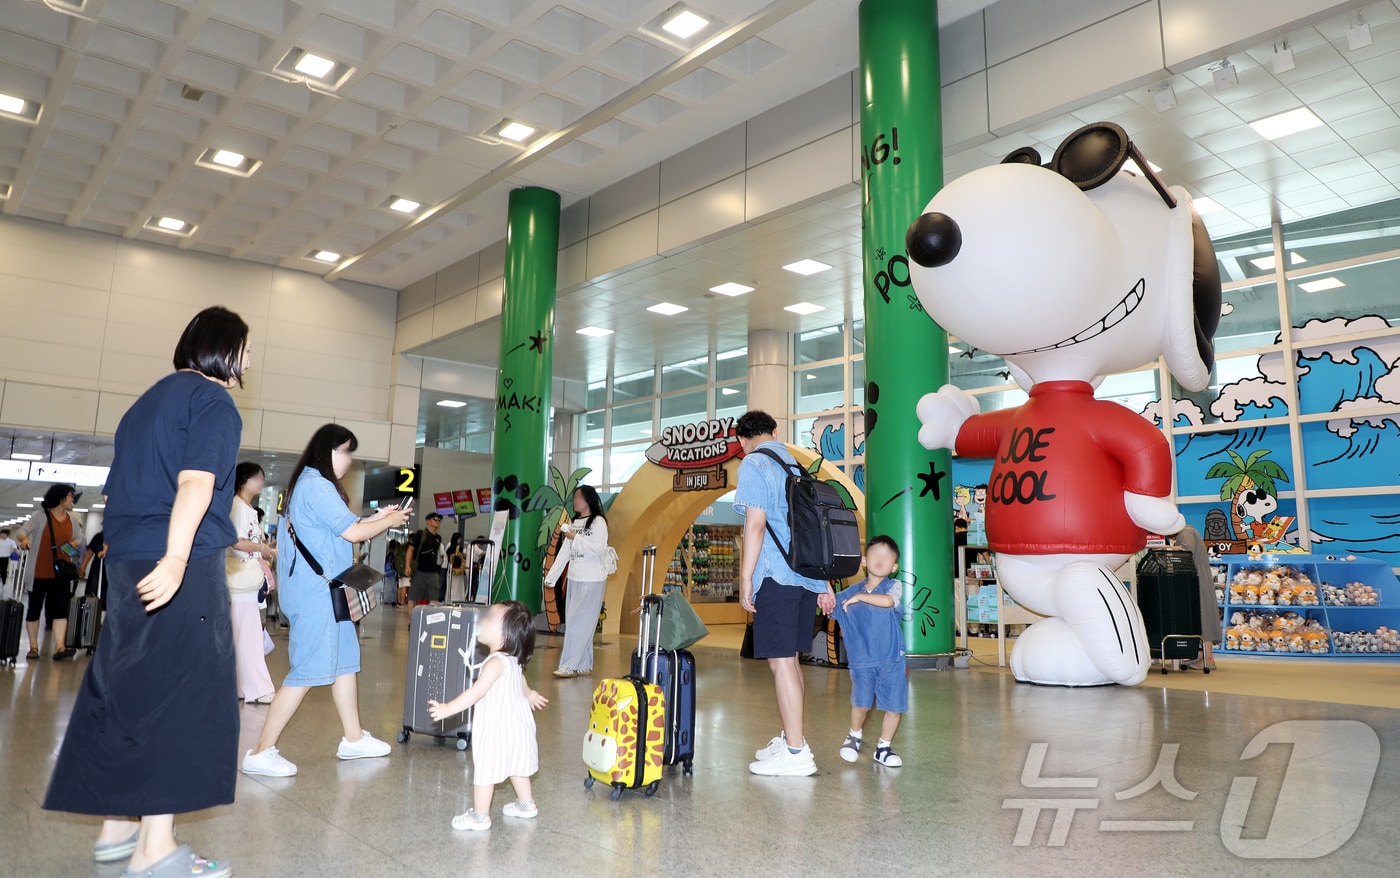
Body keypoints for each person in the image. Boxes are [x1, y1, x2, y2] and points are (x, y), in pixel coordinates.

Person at [43, 305, 250, 876]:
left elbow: (122, 491)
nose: (249, 360)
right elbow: (196, 483)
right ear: (223, 350)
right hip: (178, 560)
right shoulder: (213, 402)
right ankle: (155, 850)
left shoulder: (144, 404)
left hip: (130, 559)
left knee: (129, 688)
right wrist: (180, 557)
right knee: (183, 696)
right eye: (246, 349)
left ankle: (117, 832)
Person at [241, 425, 411, 778]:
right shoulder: (317, 485)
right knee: (306, 671)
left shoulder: (308, 484)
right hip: (319, 595)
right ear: (327, 451)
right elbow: (353, 532)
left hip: (325, 591)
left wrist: (378, 518)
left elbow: (343, 525)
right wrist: (390, 521)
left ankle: (353, 737)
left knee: (345, 662)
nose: (349, 460)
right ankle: (260, 750)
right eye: (345, 451)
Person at [733, 410, 835, 777]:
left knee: (781, 663)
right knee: (789, 660)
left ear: (742, 441)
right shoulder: (796, 466)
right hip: (807, 577)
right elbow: (813, 528)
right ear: (775, 431)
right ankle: (794, 739)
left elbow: (756, 524)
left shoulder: (754, 465)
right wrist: (824, 584)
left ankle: (795, 753)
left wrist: (746, 579)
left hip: (777, 576)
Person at [427, 600, 548, 831]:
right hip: (518, 727)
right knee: (517, 764)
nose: (483, 620)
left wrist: (447, 709)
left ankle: (480, 816)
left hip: (497, 729)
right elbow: (520, 682)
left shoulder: (494, 663)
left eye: (490, 618)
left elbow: (476, 693)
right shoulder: (513, 661)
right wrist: (530, 694)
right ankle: (526, 804)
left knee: (486, 769)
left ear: (505, 636)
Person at [829, 536, 908, 768]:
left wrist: (860, 597)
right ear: (864, 560)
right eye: (875, 554)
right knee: (861, 704)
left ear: (894, 567)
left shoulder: (894, 587)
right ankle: (854, 737)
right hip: (862, 663)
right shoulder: (848, 594)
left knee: (894, 707)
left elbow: (887, 602)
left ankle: (884, 747)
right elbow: (828, 605)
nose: (880, 559)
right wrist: (823, 588)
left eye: (887, 557)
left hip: (892, 661)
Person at [544, 485, 611, 678]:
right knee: (577, 622)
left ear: (589, 500)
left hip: (592, 579)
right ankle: (583, 664)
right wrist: (551, 577)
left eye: (579, 497)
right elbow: (565, 551)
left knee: (578, 624)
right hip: (574, 578)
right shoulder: (574, 522)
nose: (575, 501)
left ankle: (569, 665)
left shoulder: (598, 522)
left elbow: (599, 548)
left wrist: (576, 537)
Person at [15, 483, 86, 661]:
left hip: (61, 573)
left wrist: (75, 544)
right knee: (34, 609)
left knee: (61, 610)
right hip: (39, 572)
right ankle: (33, 647)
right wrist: (24, 540)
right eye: (70, 496)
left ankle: (59, 647)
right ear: (61, 498)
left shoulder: (71, 519)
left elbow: (78, 538)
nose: (72, 500)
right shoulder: (40, 516)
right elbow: (22, 532)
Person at [227, 462, 277, 704]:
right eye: (257, 478)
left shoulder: (248, 509)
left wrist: (264, 550)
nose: (261, 482)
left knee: (242, 636)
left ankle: (240, 686)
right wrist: (262, 548)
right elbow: (235, 542)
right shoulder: (237, 507)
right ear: (244, 481)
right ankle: (258, 688)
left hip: (246, 582)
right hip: (240, 581)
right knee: (249, 637)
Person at [1173, 524, 1221, 671]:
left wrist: (1168, 549)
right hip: (1198, 577)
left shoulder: (1186, 532)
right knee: (1201, 617)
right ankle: (1202, 656)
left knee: (1203, 617)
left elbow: (1187, 553)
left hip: (1197, 578)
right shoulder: (1189, 530)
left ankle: (1208, 659)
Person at [404, 512, 444, 605]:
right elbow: (410, 549)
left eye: (439, 520)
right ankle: (412, 619)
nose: (437, 521)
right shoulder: (421, 534)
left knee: (434, 597)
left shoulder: (438, 538)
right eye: (435, 519)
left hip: (433, 572)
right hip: (419, 570)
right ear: (428, 521)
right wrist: (407, 565)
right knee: (413, 597)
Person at [79, 530, 110, 607]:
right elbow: (89, 552)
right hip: (97, 571)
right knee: (93, 596)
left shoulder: (119, 537)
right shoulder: (99, 537)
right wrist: (82, 567)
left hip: (111, 573)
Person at [382, 539, 400, 607]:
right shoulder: (395, 553)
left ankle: (387, 599)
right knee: (393, 586)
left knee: (388, 586)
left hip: (388, 571)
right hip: (393, 571)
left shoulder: (388, 553)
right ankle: (392, 599)